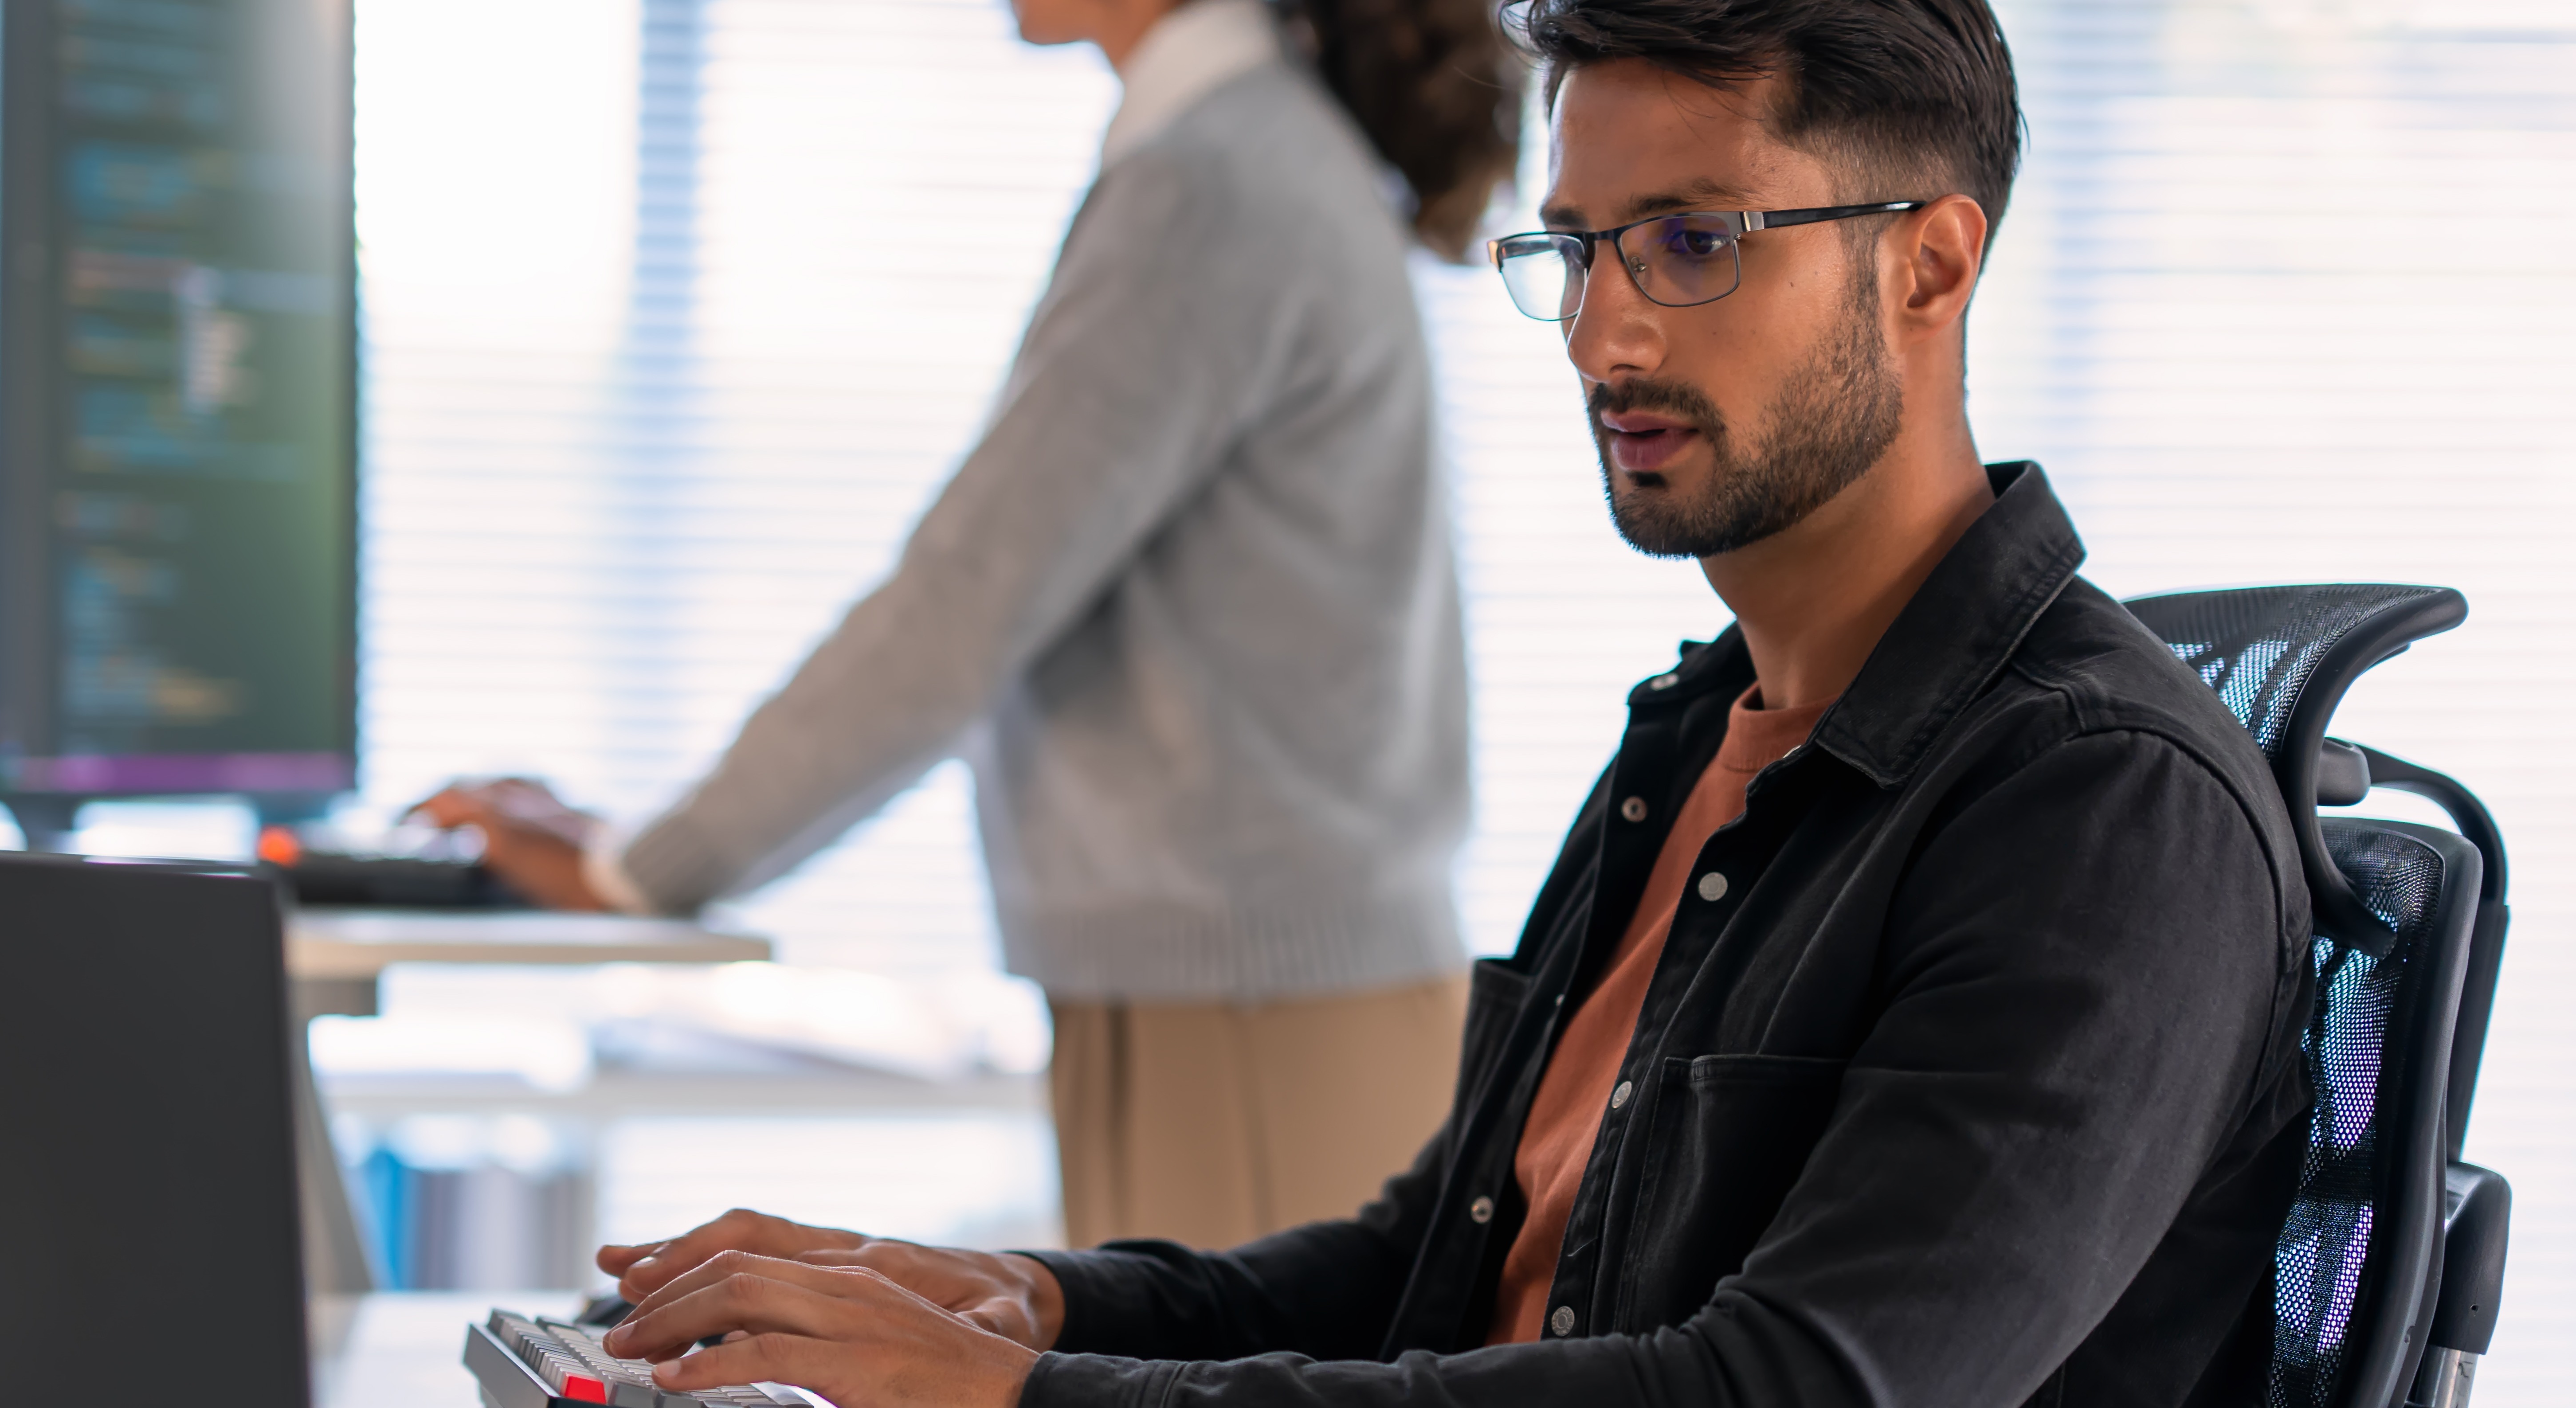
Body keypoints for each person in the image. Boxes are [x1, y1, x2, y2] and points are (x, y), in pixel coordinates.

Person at [562, 0, 2321, 1403]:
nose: (1607, 336)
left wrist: (1028, 1393)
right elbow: (1438, 1257)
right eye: (1580, 249)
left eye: (1696, 241)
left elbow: (1797, 1383)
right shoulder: (1697, 737)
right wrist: (1018, 1296)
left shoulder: (2102, 810)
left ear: (1929, 264)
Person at [417, 0, 1522, 1251]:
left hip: (1258, 1018)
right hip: (1246, 1000)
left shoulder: (1215, 182)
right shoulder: (1237, 153)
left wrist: (642, 871)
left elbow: (968, 601)